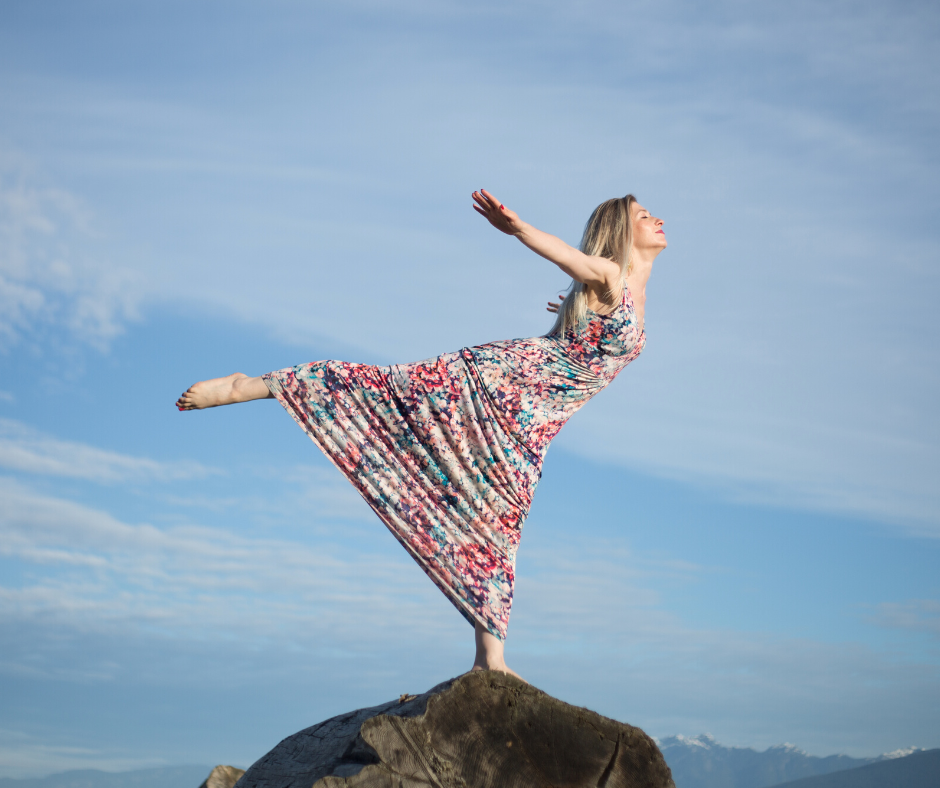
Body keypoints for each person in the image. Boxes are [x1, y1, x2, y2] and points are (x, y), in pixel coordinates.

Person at [176, 189, 667, 679]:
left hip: (531, 426)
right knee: (381, 388)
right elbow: (567, 254)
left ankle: (489, 658)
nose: (657, 219)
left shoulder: (624, 296)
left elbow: (590, 327)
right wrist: (518, 229)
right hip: (496, 383)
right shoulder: (609, 276)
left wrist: (572, 308)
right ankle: (252, 386)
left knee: (501, 526)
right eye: (645, 216)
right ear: (622, 234)